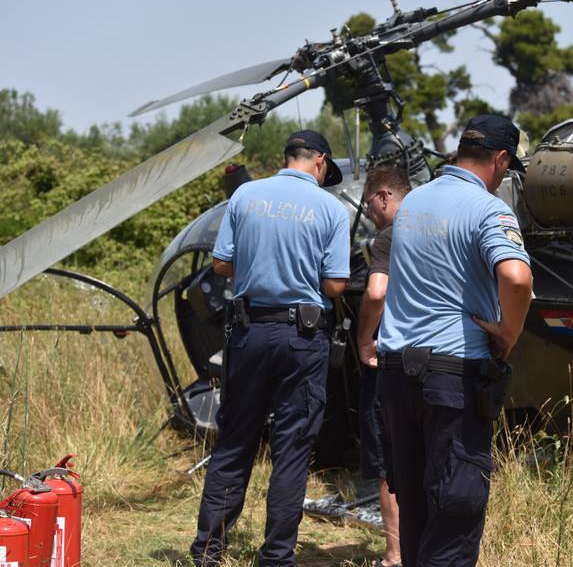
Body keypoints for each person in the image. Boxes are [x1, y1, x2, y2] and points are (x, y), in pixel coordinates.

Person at [375, 114, 533, 567]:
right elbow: (517, 279)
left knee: (416, 511)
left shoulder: (413, 203)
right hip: (452, 380)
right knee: (455, 513)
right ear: (500, 159)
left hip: (396, 377)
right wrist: (508, 332)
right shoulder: (488, 209)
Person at [190, 130, 350, 567]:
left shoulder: (245, 196)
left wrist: (260, 267)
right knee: (292, 448)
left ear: (288, 157)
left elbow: (221, 263)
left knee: (235, 440)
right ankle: (276, 556)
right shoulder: (330, 209)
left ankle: (208, 550)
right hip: (302, 338)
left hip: (249, 332)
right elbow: (336, 285)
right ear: (320, 161)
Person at [356, 166, 412, 567]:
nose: (369, 215)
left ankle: (394, 555)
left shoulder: (389, 236)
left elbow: (376, 293)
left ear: (383, 197)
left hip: (392, 360)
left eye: (368, 206)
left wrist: (364, 338)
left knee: (388, 461)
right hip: (441, 360)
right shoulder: (439, 229)